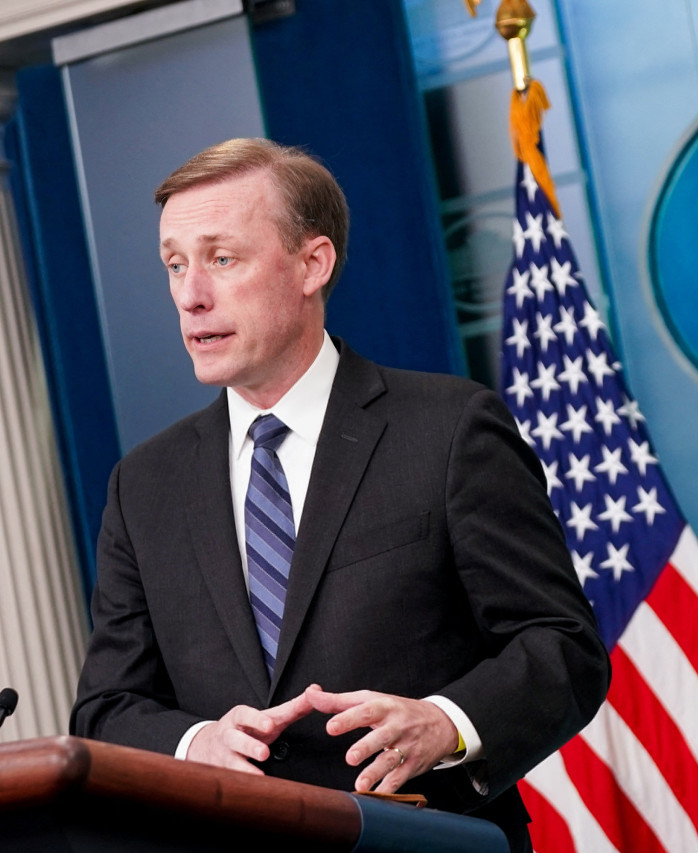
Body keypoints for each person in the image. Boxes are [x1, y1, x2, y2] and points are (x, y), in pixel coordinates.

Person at [70, 138, 610, 850]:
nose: (190, 294)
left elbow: (562, 643)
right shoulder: (144, 484)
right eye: (175, 263)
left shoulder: (448, 429)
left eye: (222, 258)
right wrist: (197, 740)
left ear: (311, 264)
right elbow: (106, 708)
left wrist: (448, 721)